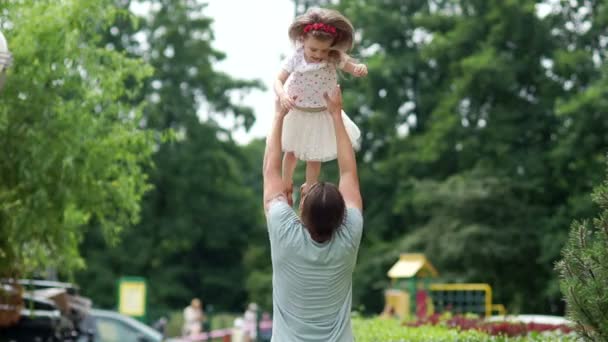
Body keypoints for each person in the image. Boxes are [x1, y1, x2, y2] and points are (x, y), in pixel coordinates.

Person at [262, 85, 363, 341]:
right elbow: (349, 173)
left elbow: (270, 170)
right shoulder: (349, 235)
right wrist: (336, 116)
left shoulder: (284, 230)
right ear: (343, 216)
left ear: (301, 209)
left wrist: (279, 116)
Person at [274, 7, 368, 200]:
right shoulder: (296, 57)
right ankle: (286, 183)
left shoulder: (333, 57)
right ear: (303, 40)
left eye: (323, 50)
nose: (318, 54)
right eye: (313, 49)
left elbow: (351, 67)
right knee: (290, 151)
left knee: (313, 155)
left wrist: (359, 69)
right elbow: (277, 80)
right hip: (297, 110)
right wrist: (282, 95)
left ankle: (310, 188)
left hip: (321, 112)